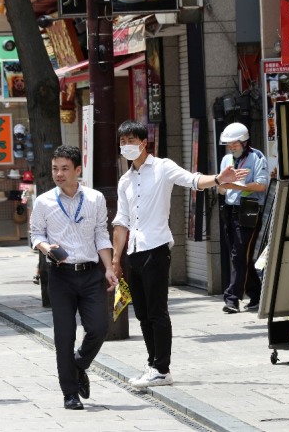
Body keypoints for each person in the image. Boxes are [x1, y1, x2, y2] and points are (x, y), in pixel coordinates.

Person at [111, 120, 246, 389]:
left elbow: (193, 180)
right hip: (134, 253)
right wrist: (116, 259)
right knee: (143, 314)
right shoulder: (124, 180)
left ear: (143, 142)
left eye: (131, 140)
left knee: (158, 311)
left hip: (156, 248)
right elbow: (121, 221)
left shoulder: (162, 167)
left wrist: (219, 179)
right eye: (123, 142)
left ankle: (162, 368)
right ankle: (153, 365)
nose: (127, 146)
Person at [30, 145, 117, 410]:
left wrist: (110, 267)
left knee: (99, 327)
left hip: (91, 273)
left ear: (78, 170)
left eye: (65, 168)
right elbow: (36, 235)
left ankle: (78, 365)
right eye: (55, 168)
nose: (58, 173)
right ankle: (69, 392)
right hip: (60, 276)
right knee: (64, 335)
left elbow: (101, 233)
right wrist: (46, 248)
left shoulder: (94, 199)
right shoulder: (44, 201)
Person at [217, 122, 268, 314]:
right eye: (229, 144)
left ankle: (232, 298)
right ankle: (257, 295)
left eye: (235, 144)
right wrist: (223, 185)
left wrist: (237, 186)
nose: (232, 147)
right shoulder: (226, 160)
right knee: (238, 255)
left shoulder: (257, 157)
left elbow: (261, 186)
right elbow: (221, 188)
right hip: (230, 210)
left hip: (249, 210)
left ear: (244, 142)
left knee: (240, 254)